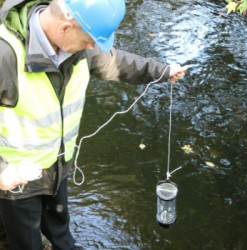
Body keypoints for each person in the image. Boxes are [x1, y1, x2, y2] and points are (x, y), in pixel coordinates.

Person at [0, 0, 188, 249]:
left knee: (60, 228)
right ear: (65, 28)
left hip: (57, 165)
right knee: (26, 241)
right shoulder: (5, 55)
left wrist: (162, 71)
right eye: (89, 40)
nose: (93, 47)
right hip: (17, 181)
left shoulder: (79, 47)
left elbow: (117, 63)